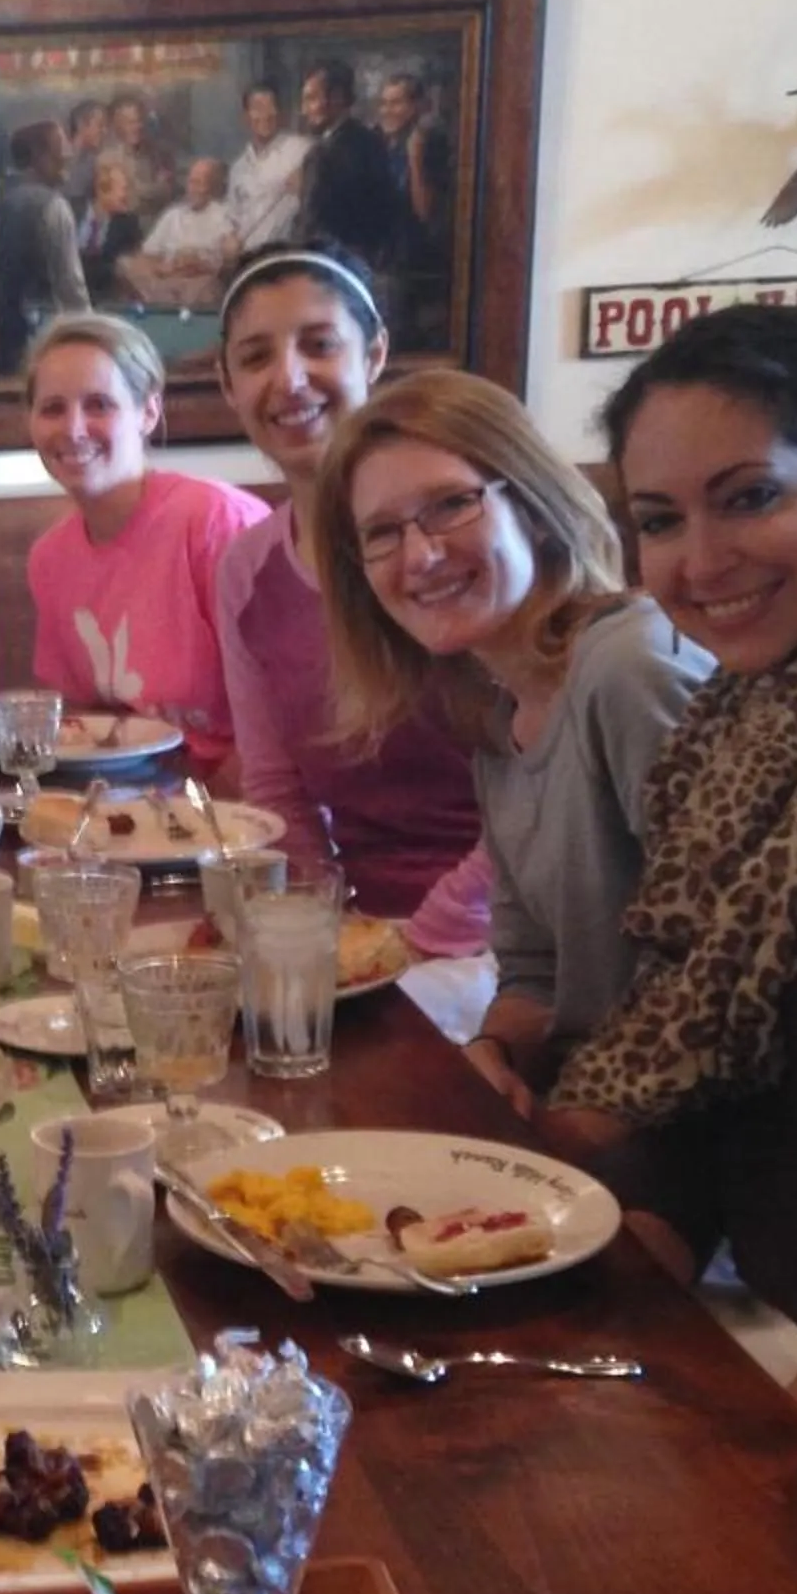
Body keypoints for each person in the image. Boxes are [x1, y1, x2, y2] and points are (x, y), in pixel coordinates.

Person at [546, 304, 797, 1360]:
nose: (699, 563)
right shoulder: (737, 727)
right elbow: (719, 1094)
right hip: (795, 1335)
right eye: (659, 521)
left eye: (751, 499)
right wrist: (603, 1306)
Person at [312, 370, 711, 1104]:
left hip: (691, 1138)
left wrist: (581, 1129)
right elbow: (533, 974)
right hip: (594, 1103)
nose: (421, 555)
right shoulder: (501, 722)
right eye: (382, 534)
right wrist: (493, 1053)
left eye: (450, 506)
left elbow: (722, 978)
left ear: (530, 502)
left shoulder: (628, 669)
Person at [211, 246, 488, 950]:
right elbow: (277, 794)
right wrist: (315, 939)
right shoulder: (247, 569)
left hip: (510, 939)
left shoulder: (454, 542)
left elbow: (550, 792)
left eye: (319, 344)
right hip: (361, 935)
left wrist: (419, 945)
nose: (290, 379)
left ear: (374, 355)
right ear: (227, 384)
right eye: (255, 357)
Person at [22, 312, 267, 773]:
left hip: (237, 800)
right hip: (125, 798)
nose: (73, 429)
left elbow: (290, 714)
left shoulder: (216, 521)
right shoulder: (50, 558)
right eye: (53, 408)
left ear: (148, 412)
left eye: (98, 405)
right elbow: (83, 722)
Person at [0, 120, 87, 378]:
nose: (68, 154)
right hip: (29, 344)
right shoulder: (52, 207)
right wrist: (88, 345)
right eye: (61, 147)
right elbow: (71, 292)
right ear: (38, 156)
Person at [376, 70, 455, 351]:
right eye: (384, 103)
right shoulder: (383, 145)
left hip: (417, 264)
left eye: (396, 103)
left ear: (417, 106)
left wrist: (415, 157)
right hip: (387, 259)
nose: (388, 111)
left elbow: (425, 212)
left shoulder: (428, 143)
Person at [297, 61, 397, 263]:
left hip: (331, 265)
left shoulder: (322, 154)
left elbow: (311, 224)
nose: (304, 110)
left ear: (337, 98)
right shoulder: (371, 141)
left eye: (311, 99)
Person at [126, 157, 239, 310]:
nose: (193, 189)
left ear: (211, 187)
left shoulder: (222, 215)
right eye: (191, 182)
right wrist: (165, 267)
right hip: (166, 283)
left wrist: (200, 263)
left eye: (199, 183)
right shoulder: (172, 215)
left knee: (204, 288)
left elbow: (230, 254)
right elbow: (146, 255)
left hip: (200, 284)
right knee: (128, 265)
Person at [224, 80, 310, 252]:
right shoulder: (238, 168)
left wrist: (307, 184)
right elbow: (231, 217)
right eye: (257, 108)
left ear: (280, 113)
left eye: (270, 107)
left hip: (288, 253)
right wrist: (230, 238)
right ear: (246, 117)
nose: (264, 115)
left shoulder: (302, 150)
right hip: (249, 256)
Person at [75, 152, 145, 303]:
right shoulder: (72, 211)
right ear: (102, 189)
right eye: (123, 189)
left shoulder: (129, 224)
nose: (126, 195)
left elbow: (124, 271)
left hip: (104, 300)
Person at [105, 92, 178, 232]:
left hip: (157, 228)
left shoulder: (158, 154)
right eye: (130, 122)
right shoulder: (108, 158)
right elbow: (125, 202)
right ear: (117, 125)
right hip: (122, 232)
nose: (137, 127)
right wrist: (156, 187)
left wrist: (140, 190)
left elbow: (168, 193)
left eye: (139, 120)